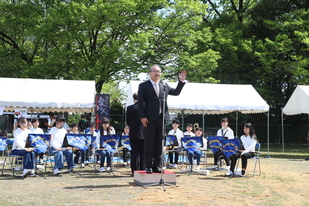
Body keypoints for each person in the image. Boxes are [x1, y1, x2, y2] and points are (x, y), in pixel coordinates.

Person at [138, 64, 186, 174]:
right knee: (149, 142)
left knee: (160, 142)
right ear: (150, 73)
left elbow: (176, 92)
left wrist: (181, 82)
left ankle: (157, 165)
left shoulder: (164, 85)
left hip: (162, 117)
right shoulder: (143, 86)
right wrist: (142, 116)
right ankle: (148, 166)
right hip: (149, 119)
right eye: (155, 71)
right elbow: (140, 103)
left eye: (159, 71)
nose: (157, 73)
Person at [126, 92, 145, 175]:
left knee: (134, 154)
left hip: (133, 133)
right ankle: (143, 170)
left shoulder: (130, 108)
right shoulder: (145, 108)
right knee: (143, 153)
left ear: (134, 99)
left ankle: (134, 171)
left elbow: (128, 121)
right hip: (144, 133)